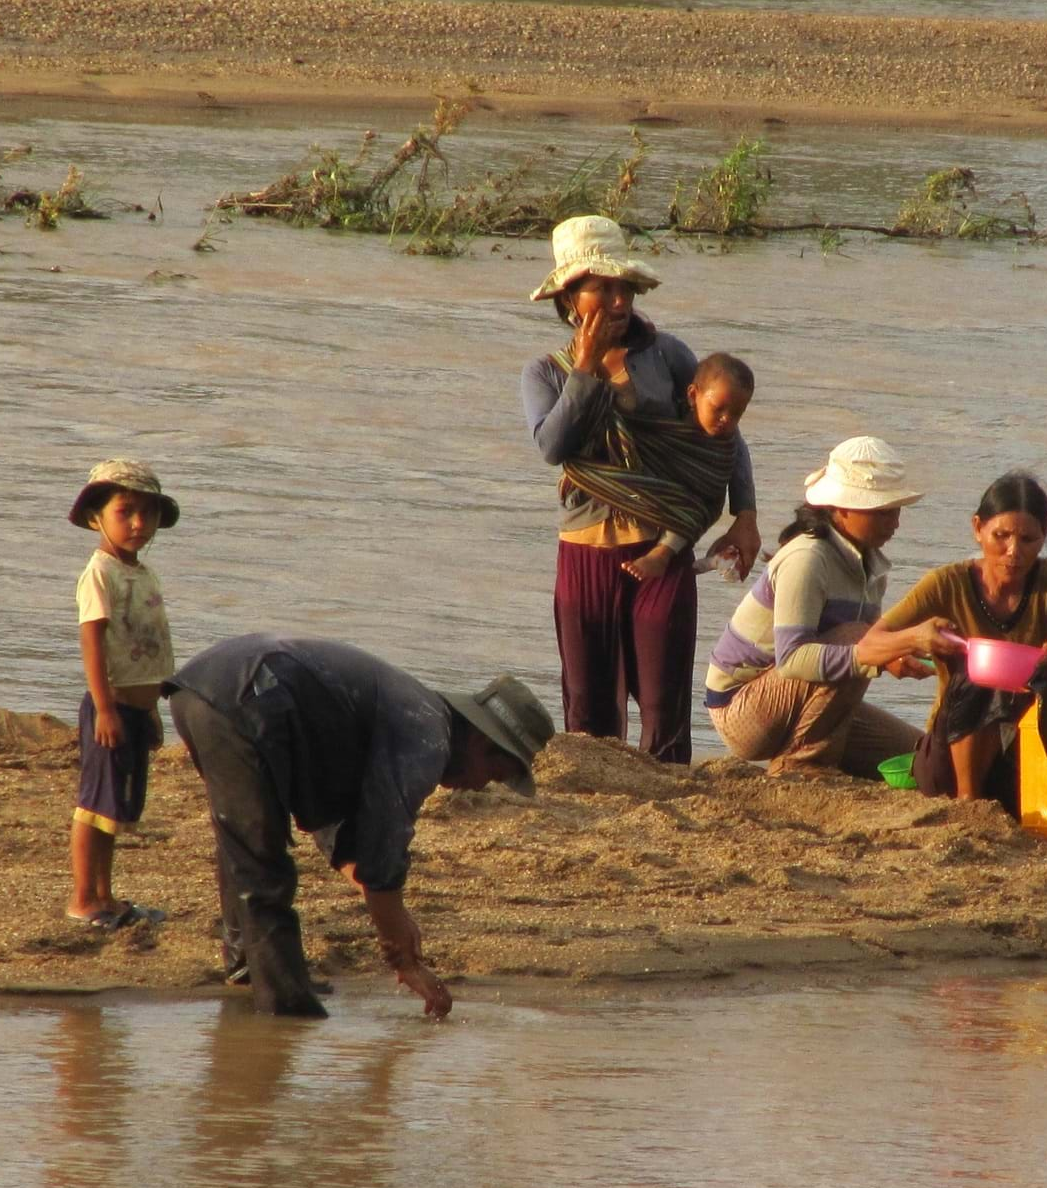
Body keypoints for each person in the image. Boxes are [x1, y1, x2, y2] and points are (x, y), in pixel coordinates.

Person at [166, 635, 554, 1019]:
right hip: (244, 697)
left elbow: (342, 836)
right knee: (261, 862)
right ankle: (284, 1005)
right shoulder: (428, 734)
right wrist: (398, 944)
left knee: (248, 841)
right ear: (483, 744)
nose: (482, 785)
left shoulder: (417, 716)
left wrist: (393, 917)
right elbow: (385, 838)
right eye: (495, 772)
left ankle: (254, 970)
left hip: (211, 690)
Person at [521, 214, 762, 764]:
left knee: (664, 699)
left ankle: (669, 794)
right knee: (587, 705)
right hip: (584, 552)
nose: (616, 299)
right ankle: (592, 805)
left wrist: (744, 514)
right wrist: (584, 371)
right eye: (601, 288)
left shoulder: (669, 356)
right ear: (569, 298)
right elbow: (554, 448)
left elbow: (722, 439)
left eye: (623, 286)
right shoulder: (545, 374)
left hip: (662, 548)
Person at [704, 436, 955, 778]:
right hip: (741, 707)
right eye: (882, 512)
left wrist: (895, 658)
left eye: (895, 511)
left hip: (798, 700)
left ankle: (815, 755)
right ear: (843, 508)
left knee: (924, 760)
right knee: (861, 638)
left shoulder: (871, 565)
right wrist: (890, 646)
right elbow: (794, 660)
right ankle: (799, 765)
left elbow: (860, 653)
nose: (894, 523)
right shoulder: (808, 558)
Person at [869, 470, 1047, 807]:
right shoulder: (947, 583)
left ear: (1044, 537)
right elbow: (869, 645)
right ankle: (970, 801)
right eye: (1001, 536)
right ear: (977, 529)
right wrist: (916, 638)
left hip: (1025, 746)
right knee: (980, 677)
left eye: (1028, 540)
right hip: (951, 759)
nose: (1013, 551)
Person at [65, 459, 178, 930]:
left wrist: (150, 710)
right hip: (109, 707)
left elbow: (145, 649)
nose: (138, 523)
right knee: (93, 806)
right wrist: (106, 708)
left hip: (136, 707)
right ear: (97, 516)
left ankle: (106, 896)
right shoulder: (100, 573)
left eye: (147, 514)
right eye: (125, 511)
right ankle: (81, 898)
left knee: (116, 810)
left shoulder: (143, 573)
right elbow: (92, 642)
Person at [619, 352, 757, 583]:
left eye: (736, 414)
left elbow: (710, 493)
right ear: (693, 395)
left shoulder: (723, 447)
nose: (726, 419)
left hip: (689, 511)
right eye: (718, 408)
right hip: (638, 511)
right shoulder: (669, 425)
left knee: (692, 507)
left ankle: (662, 555)